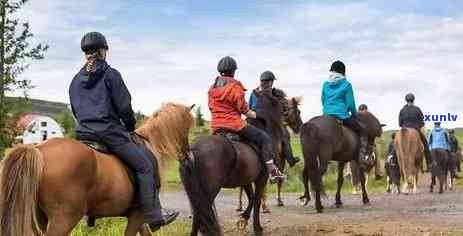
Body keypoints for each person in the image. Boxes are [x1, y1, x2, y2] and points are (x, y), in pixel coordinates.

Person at [69, 32, 178, 231]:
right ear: (104, 50)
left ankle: (91, 214)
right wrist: (129, 127)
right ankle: (154, 215)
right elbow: (124, 107)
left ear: (86, 53)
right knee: (145, 165)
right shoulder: (111, 74)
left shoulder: (75, 80)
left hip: (83, 135)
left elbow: (76, 110)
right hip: (109, 133)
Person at [208, 56, 285, 182]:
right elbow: (244, 110)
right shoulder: (235, 87)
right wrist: (257, 115)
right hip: (234, 125)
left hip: (216, 126)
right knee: (264, 138)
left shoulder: (212, 88)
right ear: (233, 71)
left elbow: (211, 107)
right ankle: (272, 171)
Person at [248, 70, 300, 167]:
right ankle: (291, 159)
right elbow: (282, 108)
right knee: (285, 135)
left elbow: (249, 106)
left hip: (254, 120)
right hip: (269, 123)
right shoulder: (274, 93)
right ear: (271, 82)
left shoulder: (254, 92)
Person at [321, 60, 368, 160]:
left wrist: (327, 111)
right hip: (341, 115)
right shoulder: (346, 84)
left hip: (327, 116)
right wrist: (355, 115)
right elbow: (351, 104)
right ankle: (362, 156)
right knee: (363, 130)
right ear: (343, 72)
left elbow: (323, 100)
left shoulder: (325, 84)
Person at [398, 93, 433, 170]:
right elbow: (422, 122)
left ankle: (393, 161)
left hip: (404, 130)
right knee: (425, 144)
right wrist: (419, 125)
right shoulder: (417, 109)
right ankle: (429, 163)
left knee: (396, 146)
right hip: (415, 129)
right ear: (413, 100)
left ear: (406, 100)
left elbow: (400, 124)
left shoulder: (402, 110)